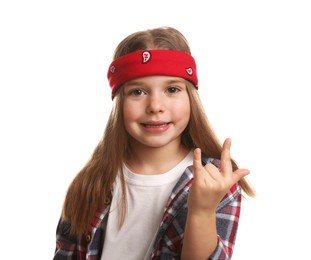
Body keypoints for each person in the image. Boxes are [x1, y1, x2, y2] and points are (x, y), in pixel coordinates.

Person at [53, 26, 255, 260]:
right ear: (119, 103)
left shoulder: (215, 180)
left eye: (172, 89)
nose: (155, 106)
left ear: (191, 97)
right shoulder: (93, 180)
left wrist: (202, 211)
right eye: (138, 92)